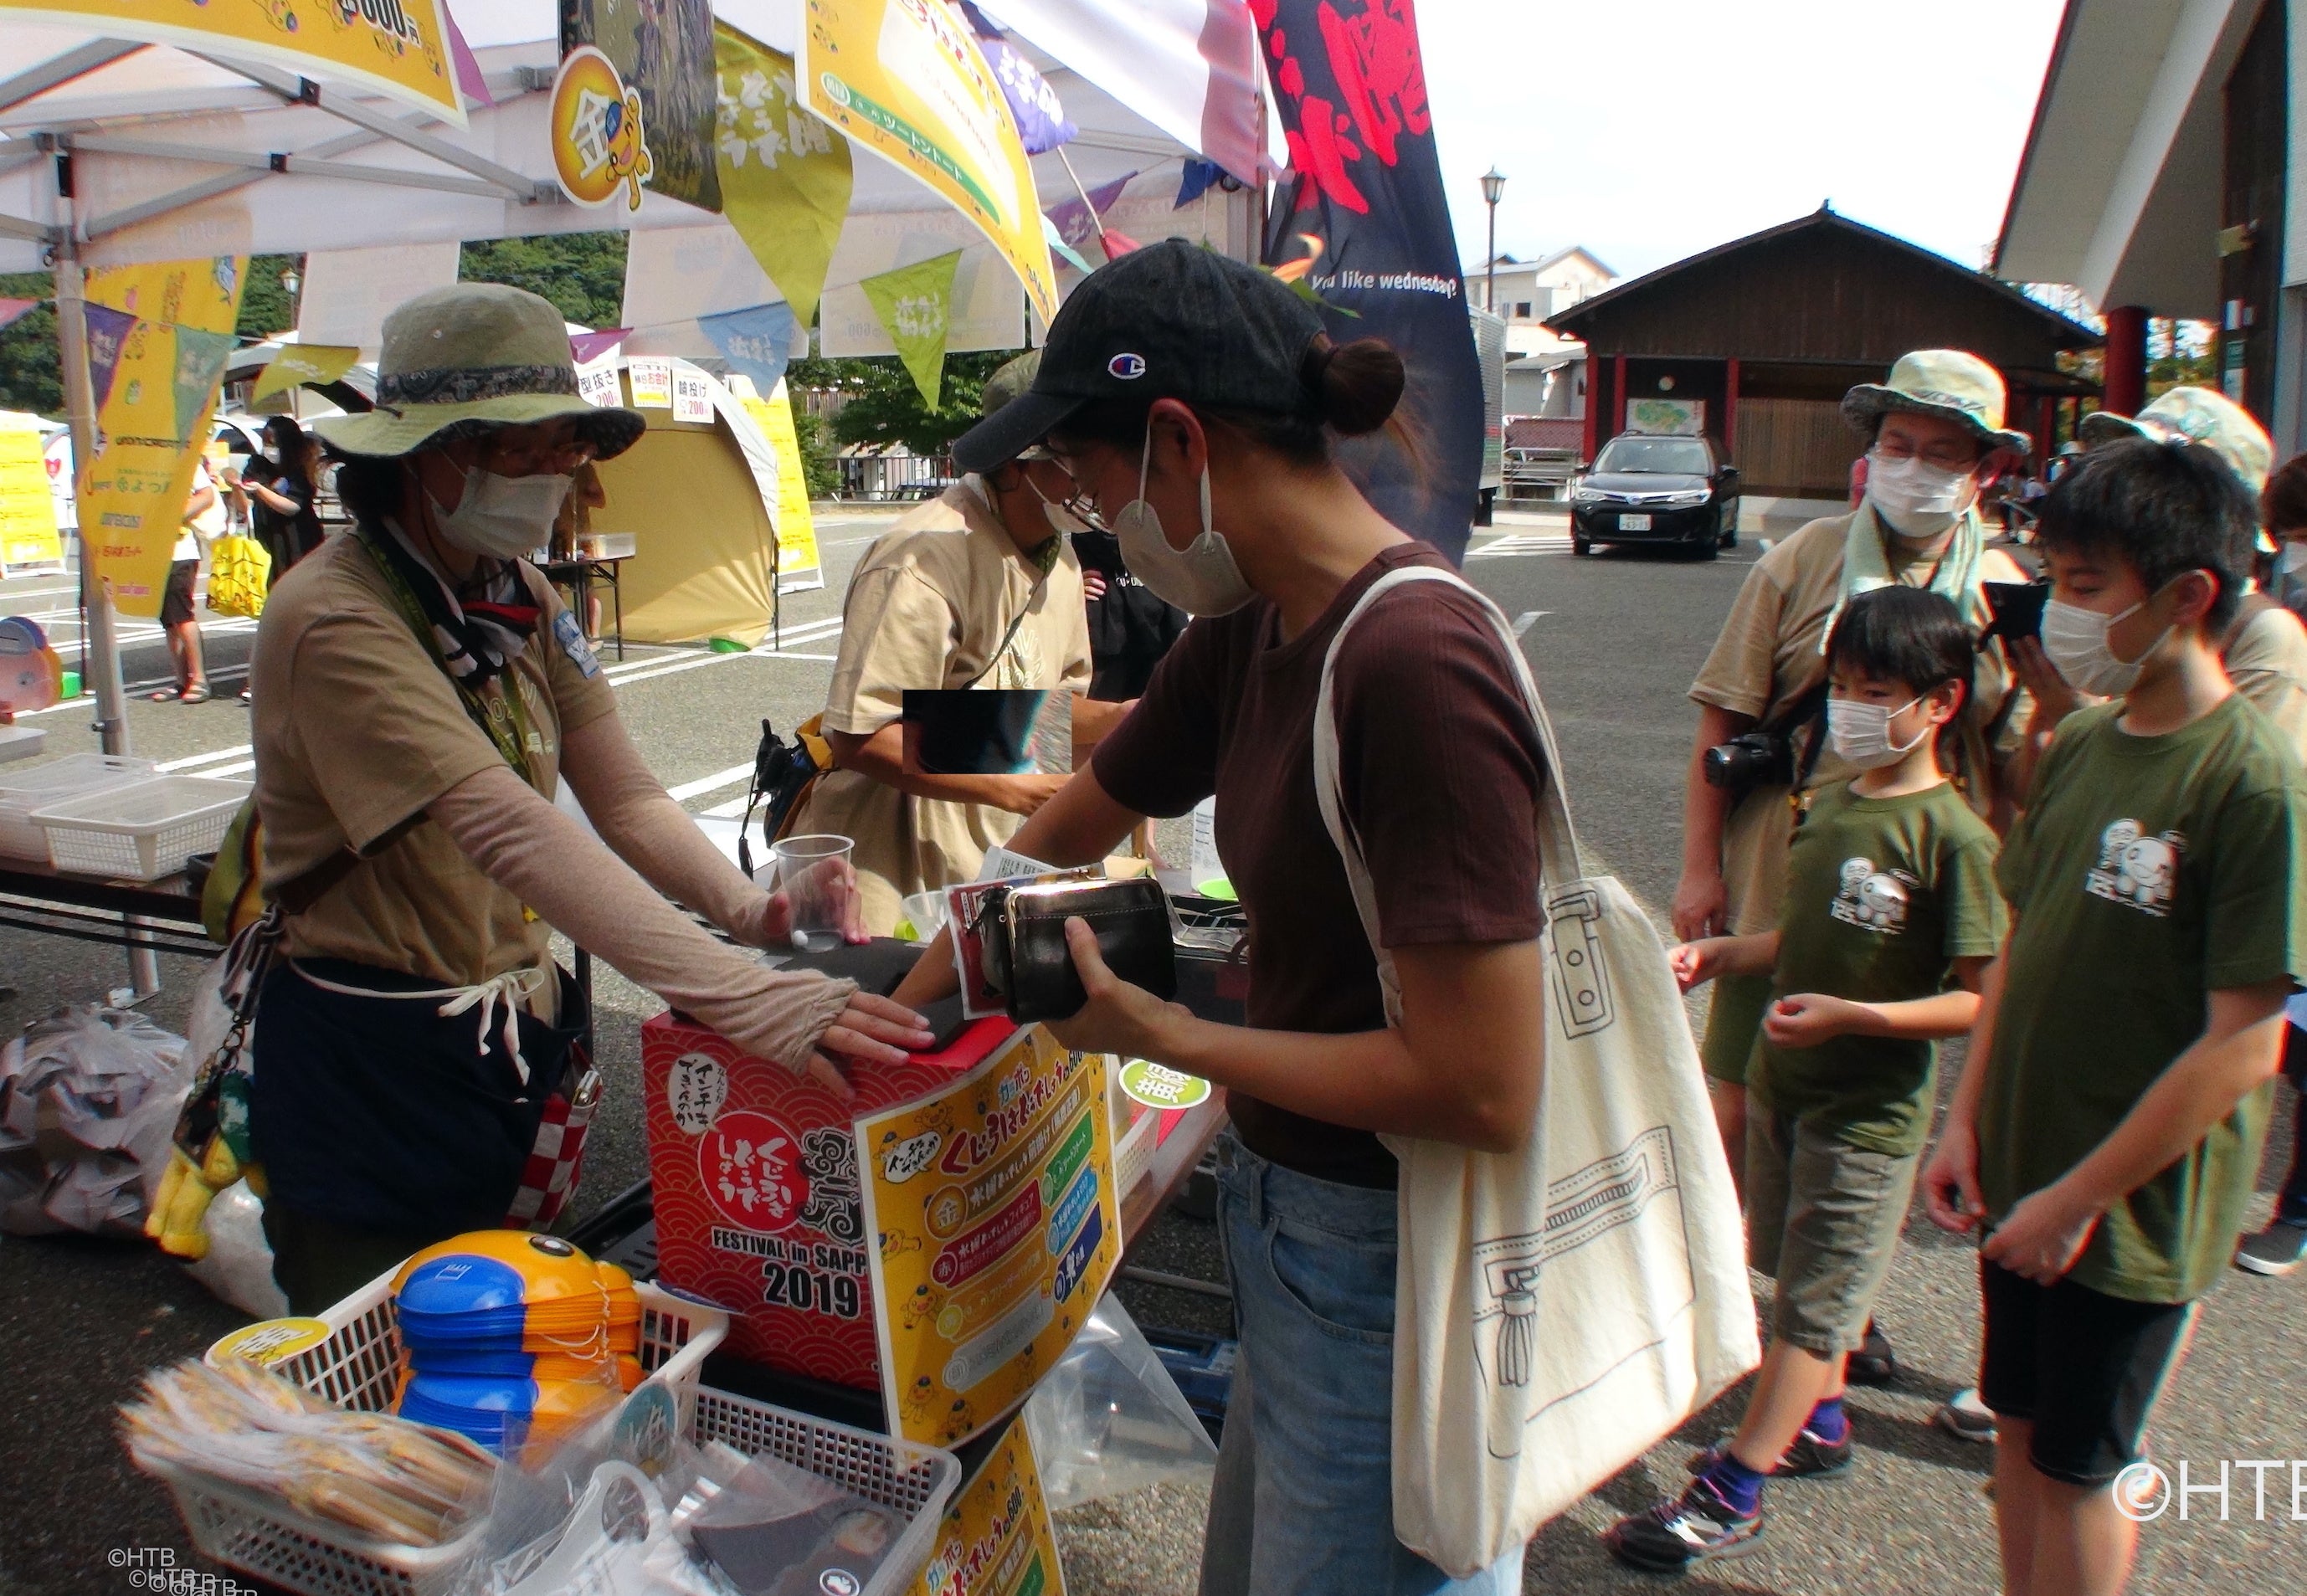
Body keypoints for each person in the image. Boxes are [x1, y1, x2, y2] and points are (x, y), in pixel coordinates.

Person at [892, 241, 1547, 1595]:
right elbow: (1070, 806)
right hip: (1295, 1221)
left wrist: (1161, 1032)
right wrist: (883, 1013)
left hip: (1402, 1250)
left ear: (1178, 441)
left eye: (1089, 475)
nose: (1083, 513)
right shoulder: (1246, 628)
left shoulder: (1413, 660)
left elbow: (1483, 1086)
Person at [249, 284, 932, 1312]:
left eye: (562, 445)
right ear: (417, 453)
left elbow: (627, 799)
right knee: (387, 1363)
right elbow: (503, 824)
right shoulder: (335, 617)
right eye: (512, 449)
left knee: (515, 1342)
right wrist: (744, 994)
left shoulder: (513, 590)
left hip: (506, 1032)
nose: (547, 474)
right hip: (375, 1052)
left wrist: (753, 914)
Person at [1919, 437, 2307, 1596]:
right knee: (2022, 1438)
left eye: (2086, 587)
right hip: (2024, 1171)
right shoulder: (2084, 736)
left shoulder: (2255, 780)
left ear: (2188, 594)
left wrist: (2076, 1197)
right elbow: (2025, 937)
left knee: (2088, 1466)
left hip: (2126, 1214)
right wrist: (1966, 1123)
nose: (2060, 610)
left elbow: (2244, 1040)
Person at [1606, 587, 2004, 1572]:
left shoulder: (1953, 837)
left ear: (1939, 702)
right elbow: (1806, 938)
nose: (1851, 709)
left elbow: (1981, 995)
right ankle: (1817, 1419)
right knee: (1787, 1275)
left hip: (1867, 1119)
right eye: (1839, 688)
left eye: (1876, 691)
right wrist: (1728, 958)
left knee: (1815, 1309)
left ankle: (1733, 1486)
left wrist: (1857, 1016)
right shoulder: (1827, 803)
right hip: (1788, 1092)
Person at [1676, 349, 2032, 1285]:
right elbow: (1724, 712)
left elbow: (2018, 756)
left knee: (1862, 1109)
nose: (1911, 466)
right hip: (1778, 871)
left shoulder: (2005, 586)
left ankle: (1830, 1308)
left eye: (1939, 451)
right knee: (1735, 1100)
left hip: (1913, 887)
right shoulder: (1805, 558)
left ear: (1983, 468)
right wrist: (1698, 866)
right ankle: (1735, 1282)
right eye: (1895, 443)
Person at [783, 351, 1126, 936]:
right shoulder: (922, 558)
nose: (1093, 478)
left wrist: (1121, 719)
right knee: (898, 1014)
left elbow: (1035, 716)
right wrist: (1013, 788)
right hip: (891, 865)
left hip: (994, 863)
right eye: (1074, 460)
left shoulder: (1060, 555)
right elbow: (858, 733)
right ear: (1014, 463)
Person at [156, 454, 225, 703]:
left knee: (181, 614)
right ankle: (180, 680)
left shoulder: (183, 460)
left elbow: (206, 495)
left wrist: (174, 514)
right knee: (168, 619)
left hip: (180, 550)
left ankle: (199, 679)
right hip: (151, 552)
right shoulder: (137, 462)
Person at [244, 415, 326, 577]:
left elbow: (291, 507)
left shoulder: (301, 469)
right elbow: (244, 503)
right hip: (267, 541)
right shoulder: (257, 464)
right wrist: (235, 486)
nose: (268, 448)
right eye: (265, 442)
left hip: (298, 541)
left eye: (273, 443)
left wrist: (260, 490)